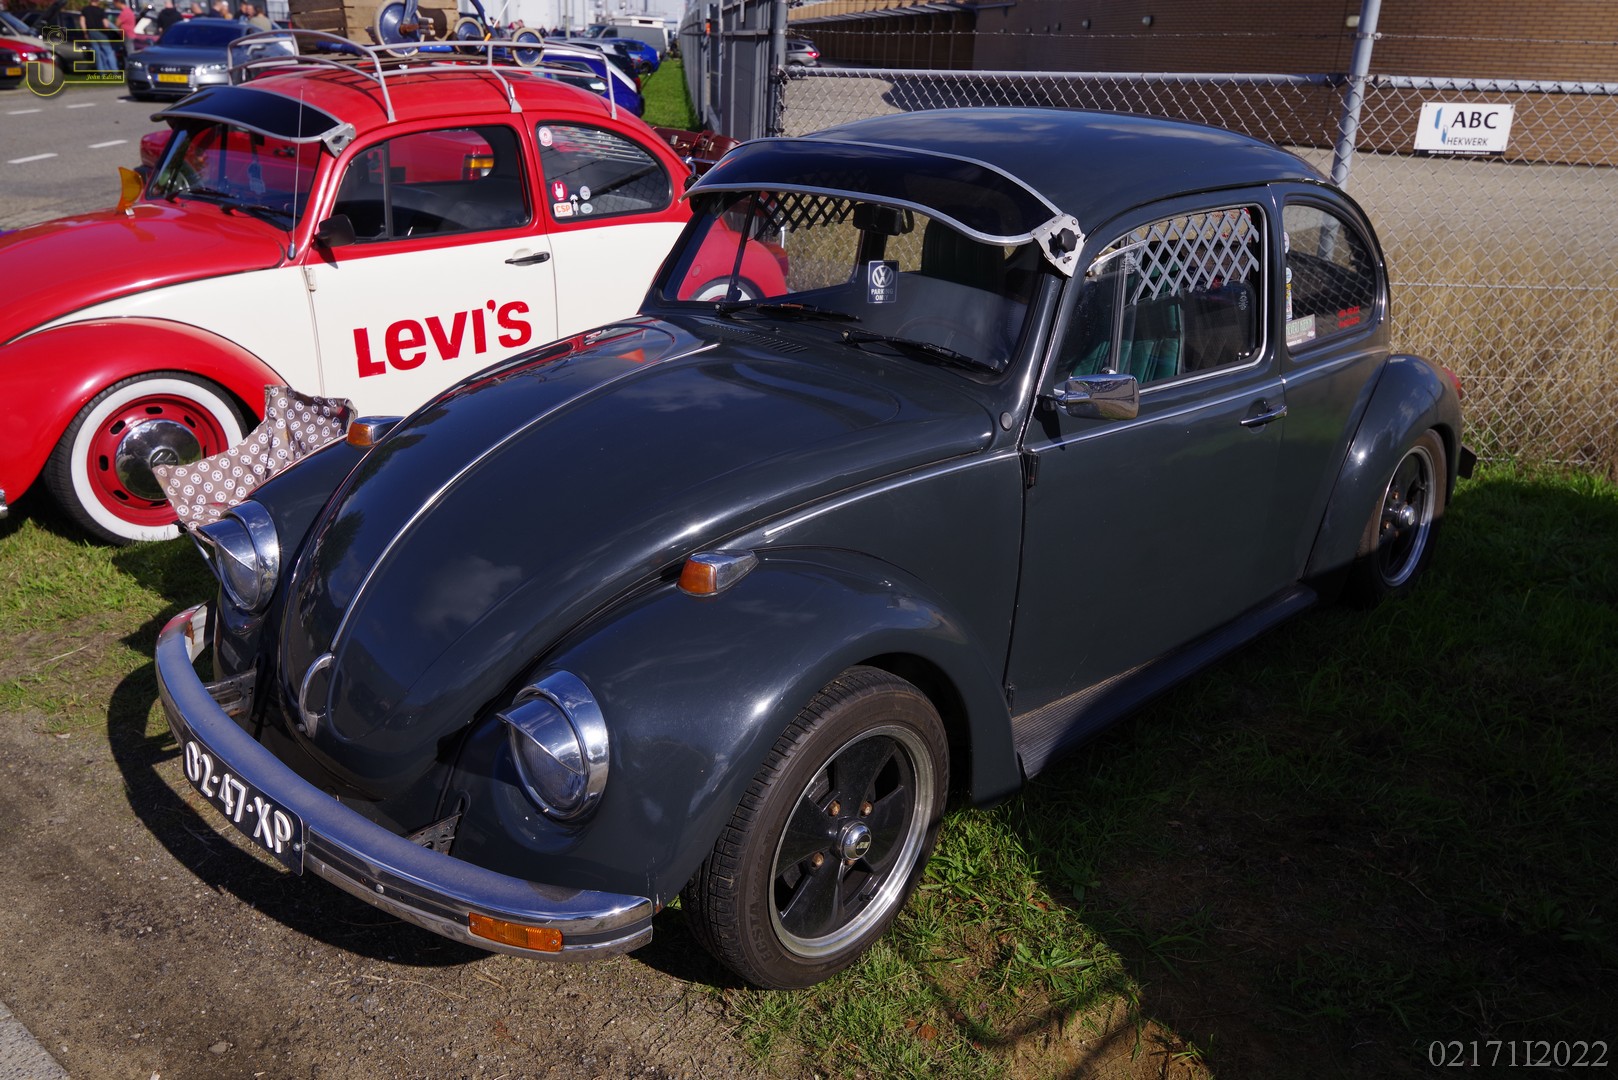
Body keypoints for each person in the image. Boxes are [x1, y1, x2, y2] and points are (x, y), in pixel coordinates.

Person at [79, 0, 118, 71]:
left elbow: (82, 22)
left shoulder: (85, 10)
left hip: (91, 32)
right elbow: (106, 24)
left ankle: (102, 72)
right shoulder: (100, 10)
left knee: (97, 53)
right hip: (101, 33)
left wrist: (85, 33)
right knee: (109, 52)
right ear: (98, 1)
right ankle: (114, 71)